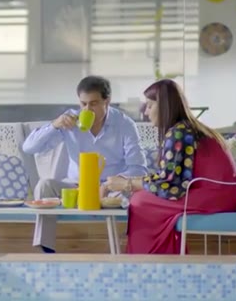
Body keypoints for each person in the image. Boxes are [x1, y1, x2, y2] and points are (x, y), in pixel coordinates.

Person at [102, 79, 236, 254]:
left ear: (164, 106)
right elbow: (169, 178)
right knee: (142, 197)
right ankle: (165, 259)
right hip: (222, 195)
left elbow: (169, 186)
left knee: (139, 202)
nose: (146, 112)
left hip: (215, 198)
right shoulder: (187, 128)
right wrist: (129, 182)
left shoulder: (179, 132)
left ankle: (146, 261)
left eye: (150, 106)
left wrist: (127, 184)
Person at [22, 76, 148, 252]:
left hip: (111, 191)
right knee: (45, 185)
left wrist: (110, 184)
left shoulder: (125, 124)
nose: (87, 109)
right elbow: (29, 147)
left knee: (133, 195)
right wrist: (55, 125)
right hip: (77, 188)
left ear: (107, 101)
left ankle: (122, 249)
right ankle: (46, 249)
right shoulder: (70, 121)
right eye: (83, 104)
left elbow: (138, 168)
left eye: (94, 104)